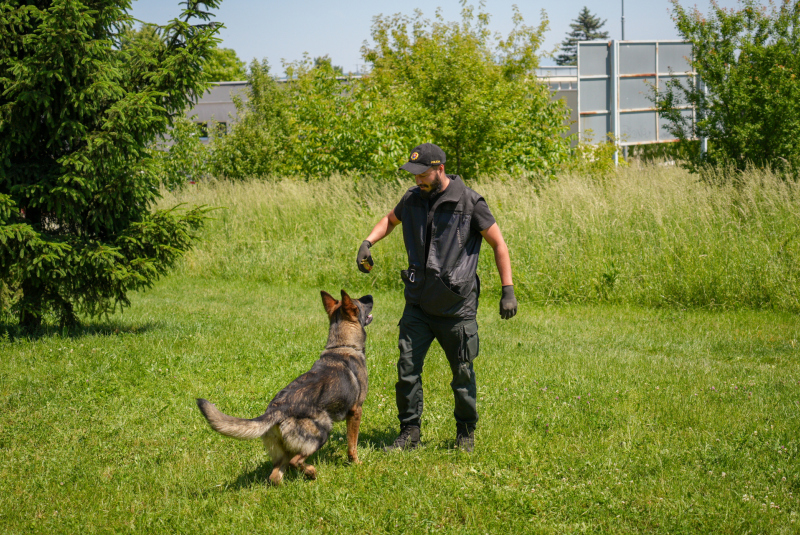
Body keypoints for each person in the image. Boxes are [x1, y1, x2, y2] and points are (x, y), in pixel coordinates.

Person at [356, 143, 517, 453]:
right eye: (414, 174)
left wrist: (507, 290)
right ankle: (410, 432)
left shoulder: (470, 202)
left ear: (439, 169)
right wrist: (368, 242)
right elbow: (390, 220)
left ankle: (465, 433)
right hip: (418, 302)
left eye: (423, 174)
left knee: (462, 371)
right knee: (407, 369)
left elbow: (499, 244)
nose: (417, 180)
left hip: (456, 305)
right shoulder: (413, 198)